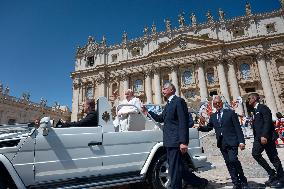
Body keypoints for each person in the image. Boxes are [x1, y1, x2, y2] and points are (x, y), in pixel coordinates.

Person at [142, 83, 208, 189]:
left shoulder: (179, 101)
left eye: (164, 89)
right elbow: (161, 118)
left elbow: (183, 122)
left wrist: (183, 142)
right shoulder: (168, 104)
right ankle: (199, 183)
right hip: (168, 141)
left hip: (175, 141)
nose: (162, 91)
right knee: (180, 167)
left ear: (172, 90)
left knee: (174, 169)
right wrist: (147, 112)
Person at [196, 96, 248, 189]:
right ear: (214, 105)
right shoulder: (213, 116)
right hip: (222, 143)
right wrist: (199, 127)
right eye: (215, 103)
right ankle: (236, 183)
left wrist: (241, 141)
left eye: (219, 103)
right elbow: (209, 127)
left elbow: (238, 128)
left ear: (222, 103)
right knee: (228, 163)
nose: (217, 105)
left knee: (233, 160)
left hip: (232, 141)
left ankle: (243, 181)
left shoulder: (231, 113)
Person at [248, 93, 284, 188]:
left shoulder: (263, 107)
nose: (248, 100)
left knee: (273, 157)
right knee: (255, 154)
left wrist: (264, 135)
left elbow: (268, 121)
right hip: (258, 138)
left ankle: (281, 178)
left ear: (254, 98)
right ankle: (271, 173)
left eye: (249, 98)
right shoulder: (254, 110)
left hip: (267, 137)